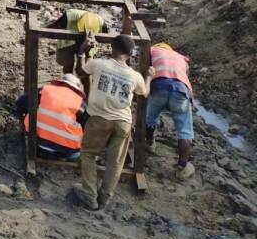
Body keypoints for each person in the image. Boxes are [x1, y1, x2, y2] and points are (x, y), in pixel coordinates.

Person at [73, 34, 154, 211]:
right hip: (123, 122)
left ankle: (90, 196)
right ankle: (104, 198)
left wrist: (82, 51)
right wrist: (148, 76)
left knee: (88, 154)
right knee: (115, 162)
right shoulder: (134, 76)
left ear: (112, 47)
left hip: (99, 119)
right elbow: (144, 93)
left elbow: (80, 72)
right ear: (130, 54)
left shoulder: (99, 64)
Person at [146, 42, 195, 180]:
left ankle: (149, 143)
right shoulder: (181, 58)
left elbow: (144, 69)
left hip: (159, 86)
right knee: (184, 130)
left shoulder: (152, 50)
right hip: (180, 90)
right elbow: (185, 77)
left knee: (150, 118)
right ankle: (182, 167)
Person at [16, 74, 88, 161]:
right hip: (66, 152)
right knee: (77, 153)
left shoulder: (45, 90)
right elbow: (87, 126)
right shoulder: (80, 102)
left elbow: (21, 101)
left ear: (60, 83)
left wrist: (21, 119)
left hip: (36, 145)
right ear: (76, 89)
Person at [49, 8, 108, 74]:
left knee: (86, 69)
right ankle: (69, 79)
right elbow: (54, 27)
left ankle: (84, 80)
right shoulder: (69, 16)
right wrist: (43, 32)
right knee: (67, 62)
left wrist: (88, 53)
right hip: (69, 42)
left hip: (89, 42)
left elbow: (105, 37)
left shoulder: (101, 23)